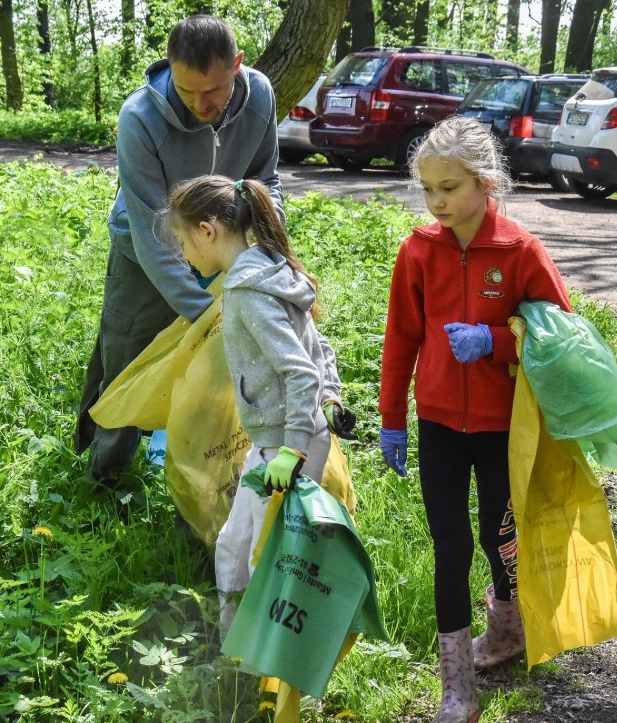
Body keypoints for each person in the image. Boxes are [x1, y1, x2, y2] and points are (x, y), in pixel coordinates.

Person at [377, 116, 572, 723]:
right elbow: (400, 340)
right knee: (450, 547)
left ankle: (508, 630)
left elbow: (561, 335)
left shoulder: (520, 251)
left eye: (449, 188)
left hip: (500, 427)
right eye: (428, 189)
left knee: (498, 536)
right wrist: (393, 419)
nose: (437, 202)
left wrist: (495, 341)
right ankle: (457, 687)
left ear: (486, 183)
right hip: (437, 422)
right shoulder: (416, 252)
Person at [75, 14, 284, 486]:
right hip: (143, 251)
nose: (199, 104)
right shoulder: (139, 119)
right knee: (128, 361)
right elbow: (152, 230)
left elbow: (265, 182)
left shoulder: (261, 97)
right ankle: (106, 480)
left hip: (219, 250)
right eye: (187, 91)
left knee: (212, 369)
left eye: (211, 90)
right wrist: (205, 313)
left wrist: (265, 260)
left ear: (237, 65)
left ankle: (202, 476)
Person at [164, 174, 356, 633]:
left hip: (284, 446)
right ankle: (235, 641)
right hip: (279, 439)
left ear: (207, 230)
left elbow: (298, 368)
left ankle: (265, 660)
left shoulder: (248, 291)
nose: (184, 256)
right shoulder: (273, 270)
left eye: (182, 242)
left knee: (268, 553)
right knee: (235, 542)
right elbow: (317, 347)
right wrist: (330, 397)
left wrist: (292, 449)